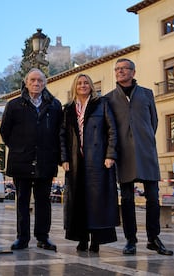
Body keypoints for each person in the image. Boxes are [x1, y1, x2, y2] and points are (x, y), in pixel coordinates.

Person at [105, 58, 173, 256]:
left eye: (124, 68)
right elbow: (109, 127)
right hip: (123, 153)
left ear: (133, 72)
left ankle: (153, 238)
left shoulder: (147, 94)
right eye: (117, 69)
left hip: (146, 151)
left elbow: (154, 121)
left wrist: (144, 138)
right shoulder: (108, 98)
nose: (119, 72)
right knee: (126, 199)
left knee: (153, 197)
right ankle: (131, 240)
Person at [0, 68, 62, 251]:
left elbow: (59, 132)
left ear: (45, 83)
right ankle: (22, 238)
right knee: (22, 201)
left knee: (44, 201)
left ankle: (43, 237)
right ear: (26, 83)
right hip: (21, 160)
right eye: (33, 80)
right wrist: (20, 147)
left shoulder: (54, 105)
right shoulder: (14, 105)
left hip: (46, 160)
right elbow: (5, 132)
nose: (36, 83)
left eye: (40, 81)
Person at [60, 73, 120, 253]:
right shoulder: (68, 108)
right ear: (75, 87)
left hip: (99, 161)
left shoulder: (102, 104)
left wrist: (110, 155)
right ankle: (82, 238)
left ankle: (96, 239)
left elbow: (112, 130)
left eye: (86, 82)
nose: (83, 85)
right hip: (76, 162)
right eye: (79, 83)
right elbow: (62, 136)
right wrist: (64, 158)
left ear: (91, 86)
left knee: (97, 202)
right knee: (78, 202)